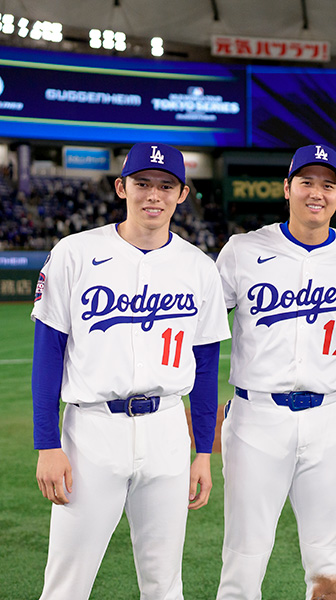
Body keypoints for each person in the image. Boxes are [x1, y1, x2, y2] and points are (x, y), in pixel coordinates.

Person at [31, 142, 230, 599]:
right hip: (92, 431)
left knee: (164, 585)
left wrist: (203, 451)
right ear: (122, 187)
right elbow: (49, 353)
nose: (153, 195)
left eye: (166, 186)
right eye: (142, 184)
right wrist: (47, 443)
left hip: (166, 432)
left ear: (182, 194)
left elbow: (205, 368)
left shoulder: (199, 268)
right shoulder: (75, 252)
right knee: (66, 584)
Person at [215, 144, 336, 600]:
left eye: (328, 184)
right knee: (244, 559)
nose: (317, 192)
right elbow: (201, 328)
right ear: (287, 188)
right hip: (256, 417)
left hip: (329, 418)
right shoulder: (243, 250)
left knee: (329, 562)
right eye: (306, 181)